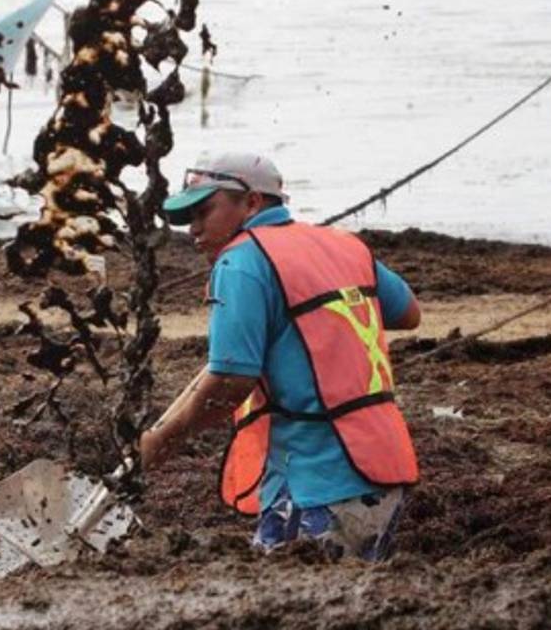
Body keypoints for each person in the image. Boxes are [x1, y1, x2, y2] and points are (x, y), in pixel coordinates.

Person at [139, 152, 421, 561]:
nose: (194, 229)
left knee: (300, 587)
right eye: (189, 218)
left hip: (321, 478)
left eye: (204, 212)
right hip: (384, 464)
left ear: (252, 202)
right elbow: (407, 313)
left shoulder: (240, 262)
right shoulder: (342, 244)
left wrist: (162, 441)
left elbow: (229, 383)